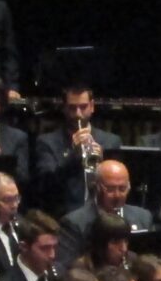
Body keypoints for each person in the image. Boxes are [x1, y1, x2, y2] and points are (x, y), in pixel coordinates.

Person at [32, 83, 121, 214]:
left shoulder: (111, 141)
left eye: (83, 107)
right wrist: (73, 156)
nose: (78, 114)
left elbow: (118, 183)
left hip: (103, 214)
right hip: (65, 214)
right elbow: (45, 186)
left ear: (92, 106)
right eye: (72, 108)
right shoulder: (47, 142)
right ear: (64, 108)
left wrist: (104, 164)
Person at [57, 161, 155, 268]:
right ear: (97, 187)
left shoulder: (143, 217)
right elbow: (67, 267)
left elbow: (151, 262)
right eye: (110, 189)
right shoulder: (75, 223)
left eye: (122, 189)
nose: (117, 195)